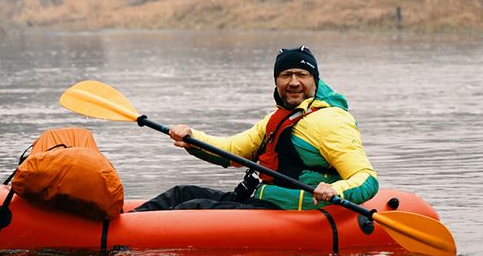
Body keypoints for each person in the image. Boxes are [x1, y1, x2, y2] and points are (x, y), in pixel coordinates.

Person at [133, 46, 378, 211]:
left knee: (191, 209)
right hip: (260, 200)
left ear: (314, 79)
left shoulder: (331, 121)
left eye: (301, 74)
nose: (293, 82)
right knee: (181, 194)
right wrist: (191, 137)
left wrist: (334, 189)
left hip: (288, 210)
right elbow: (232, 150)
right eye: (286, 75)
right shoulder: (279, 118)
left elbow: (366, 178)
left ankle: (119, 239)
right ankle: (119, 226)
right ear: (276, 81)